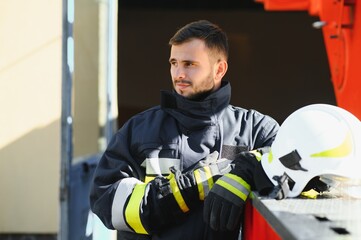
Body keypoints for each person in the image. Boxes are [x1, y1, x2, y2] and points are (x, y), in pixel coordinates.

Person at [89, 20, 279, 240]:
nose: (178, 73)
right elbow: (106, 202)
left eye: (189, 64)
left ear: (219, 69)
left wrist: (244, 170)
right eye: (173, 62)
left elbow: (302, 165)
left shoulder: (256, 129)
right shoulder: (139, 130)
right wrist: (186, 189)